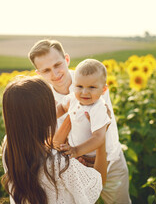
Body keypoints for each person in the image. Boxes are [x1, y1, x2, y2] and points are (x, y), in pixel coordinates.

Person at [28, 39, 131, 204]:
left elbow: (99, 132)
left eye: (58, 65)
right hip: (76, 168)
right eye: (46, 70)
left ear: (67, 59)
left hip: (110, 161)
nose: (55, 74)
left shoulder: (89, 79)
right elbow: (52, 141)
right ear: (39, 73)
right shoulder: (43, 98)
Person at [1, 76, 105, 204]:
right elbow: (98, 183)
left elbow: (43, 147)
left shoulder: (9, 147)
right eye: (52, 102)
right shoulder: (60, 163)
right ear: (45, 113)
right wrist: (101, 135)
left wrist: (68, 118)